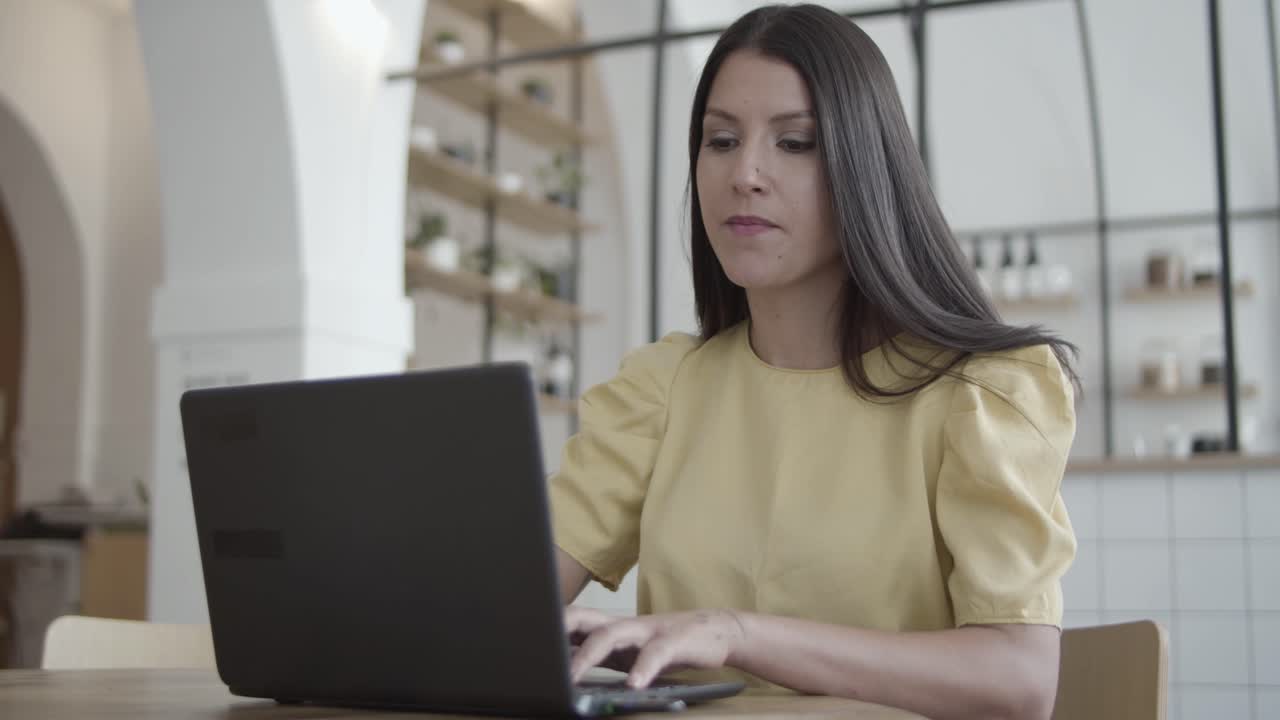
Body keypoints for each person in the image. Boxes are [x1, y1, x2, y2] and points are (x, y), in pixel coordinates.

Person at [550, 5, 1078, 720]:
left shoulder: (981, 392)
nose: (746, 174)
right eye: (721, 140)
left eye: (795, 142)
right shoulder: (663, 388)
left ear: (867, 166)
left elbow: (1019, 681)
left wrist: (737, 635)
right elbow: (507, 606)